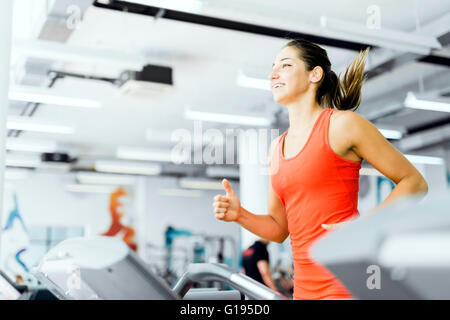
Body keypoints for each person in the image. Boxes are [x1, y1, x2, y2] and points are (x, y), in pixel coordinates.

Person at [212, 38, 428, 300]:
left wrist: (363, 225)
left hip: (344, 284)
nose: (273, 74)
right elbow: (279, 229)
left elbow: (414, 182)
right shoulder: (276, 148)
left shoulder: (342, 125)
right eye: (273, 67)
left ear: (315, 74)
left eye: (286, 65)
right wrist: (240, 215)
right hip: (303, 289)